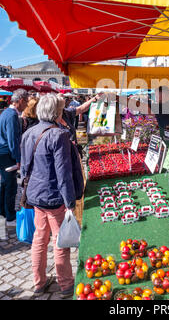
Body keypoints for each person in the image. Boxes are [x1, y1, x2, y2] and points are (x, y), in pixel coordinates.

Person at [20, 94, 80, 298]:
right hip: (53, 197)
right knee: (60, 242)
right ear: (56, 112)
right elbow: (63, 172)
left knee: (39, 239)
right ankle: (65, 284)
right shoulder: (58, 135)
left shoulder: (29, 132)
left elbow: (25, 166)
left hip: (36, 195)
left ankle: (39, 282)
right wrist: (70, 201)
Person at [0, 89, 28, 226]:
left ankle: (4, 212)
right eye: (26, 101)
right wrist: (17, 158)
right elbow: (12, 140)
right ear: (20, 100)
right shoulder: (11, 115)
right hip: (7, 154)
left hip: (3, 152)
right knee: (10, 186)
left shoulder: (7, 112)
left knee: (5, 185)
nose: (27, 105)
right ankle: (10, 217)